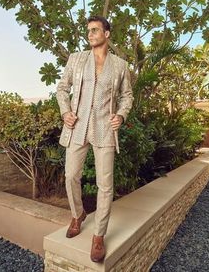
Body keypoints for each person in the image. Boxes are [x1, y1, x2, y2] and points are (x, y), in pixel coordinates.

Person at [56, 15, 134, 262]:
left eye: (95, 30)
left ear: (107, 34)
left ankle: (99, 235)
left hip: (104, 129)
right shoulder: (76, 59)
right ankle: (78, 215)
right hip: (78, 126)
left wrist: (120, 116)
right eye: (88, 31)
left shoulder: (120, 65)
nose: (90, 34)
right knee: (70, 176)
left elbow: (127, 96)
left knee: (105, 185)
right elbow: (61, 88)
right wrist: (66, 111)